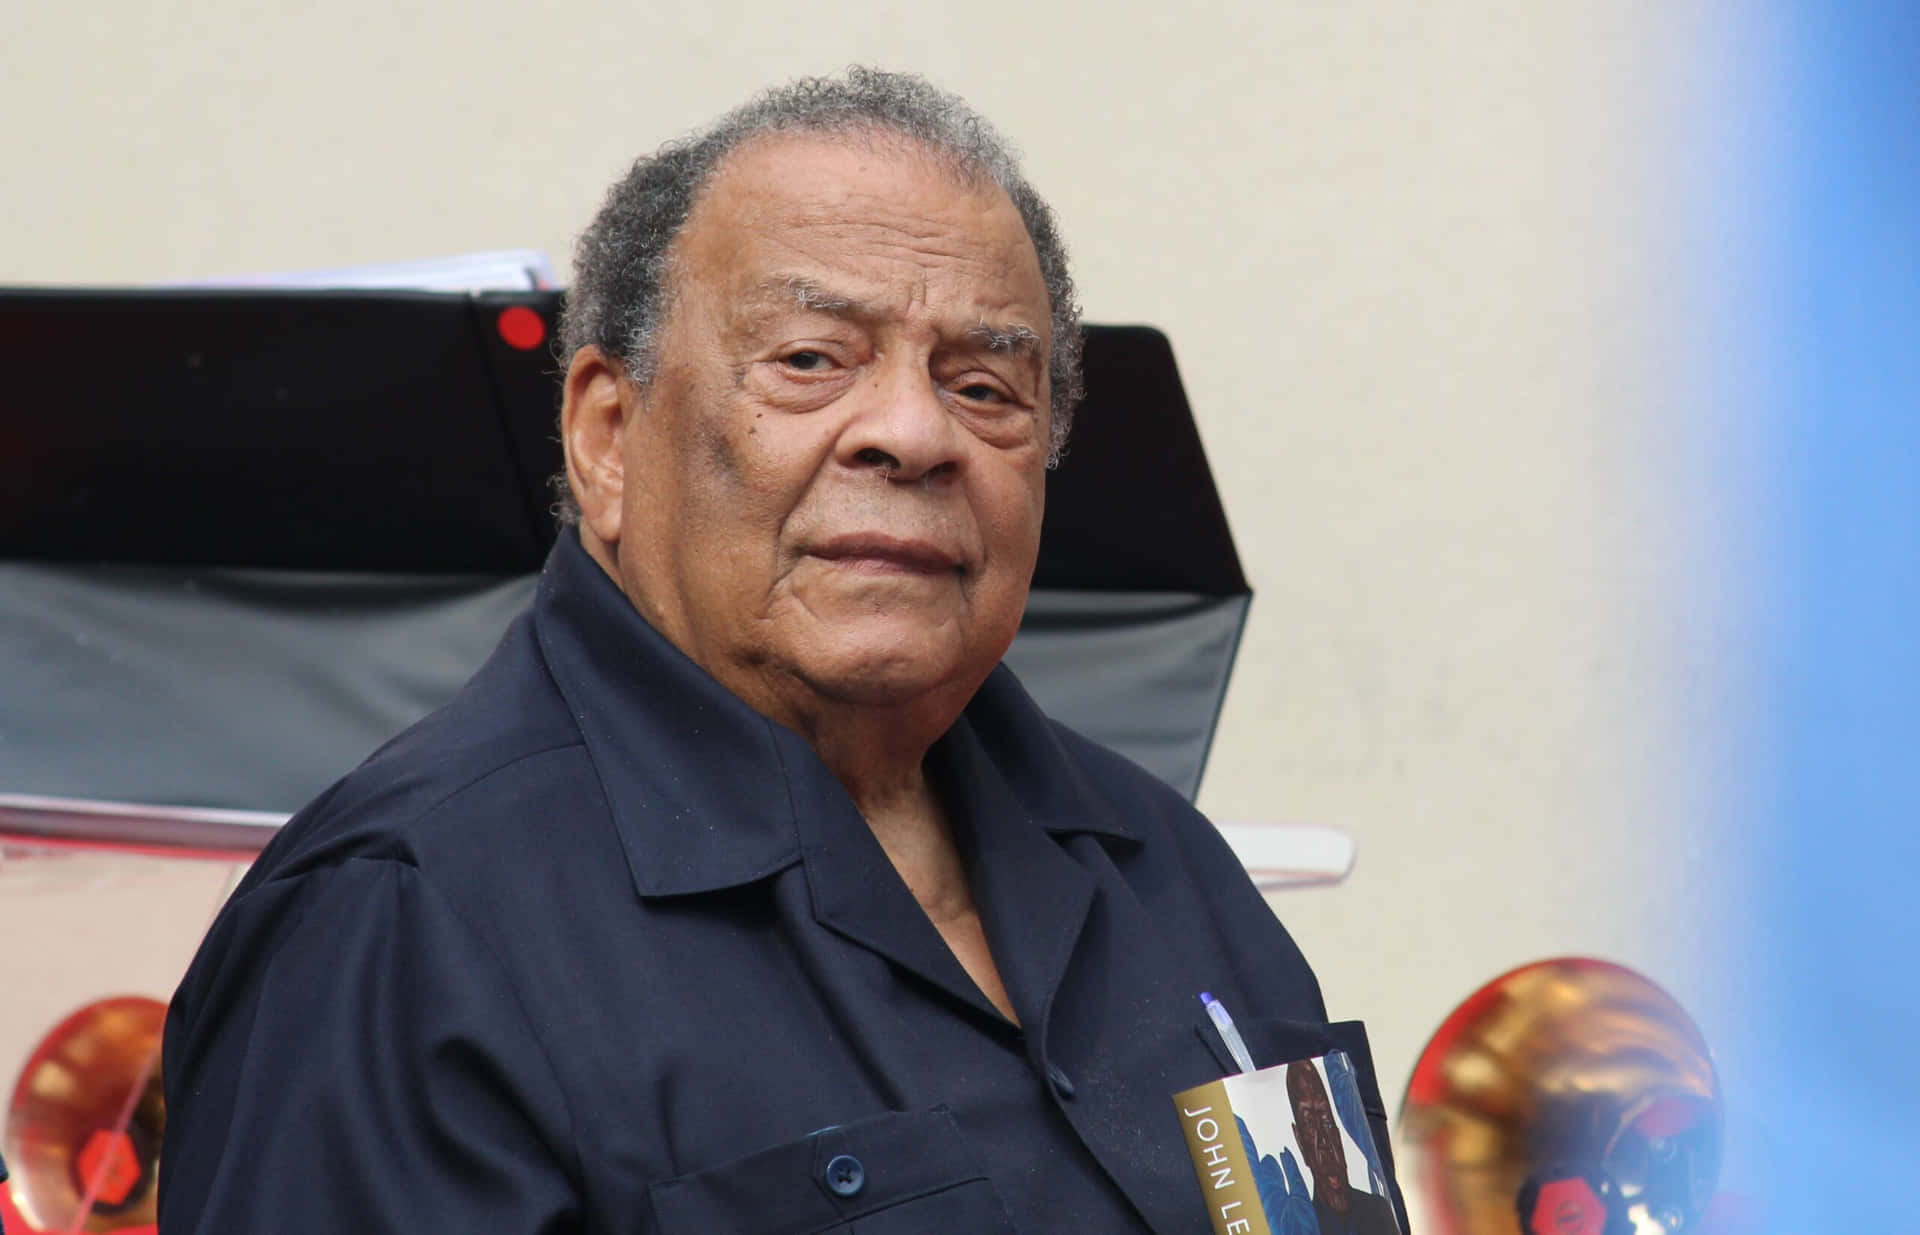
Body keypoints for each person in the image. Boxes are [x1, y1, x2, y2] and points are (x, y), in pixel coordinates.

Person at [159, 68, 1403, 1233]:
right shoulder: (402, 919)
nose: (914, 434)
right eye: (811, 361)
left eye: (984, 387)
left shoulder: (1164, 867)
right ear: (605, 432)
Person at [1288, 1060, 1402, 1235]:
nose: (1324, 1142)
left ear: (1338, 1132)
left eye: (1326, 1121)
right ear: (1300, 1142)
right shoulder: (1304, 1228)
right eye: (1309, 1123)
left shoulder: (1378, 1211)